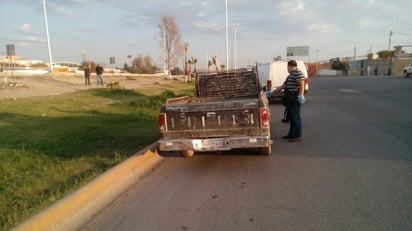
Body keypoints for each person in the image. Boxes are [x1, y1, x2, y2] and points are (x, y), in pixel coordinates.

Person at [271, 60, 305, 142]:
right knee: (292, 118)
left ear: (289, 66)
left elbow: (302, 84)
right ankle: (291, 134)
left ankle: (297, 136)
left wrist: (301, 95)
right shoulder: (290, 75)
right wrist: (271, 93)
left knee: (296, 118)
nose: (287, 69)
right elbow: (283, 86)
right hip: (290, 99)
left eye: (287, 67)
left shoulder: (297, 72)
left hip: (295, 99)